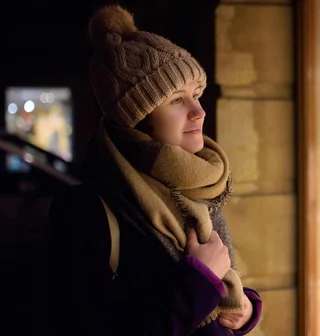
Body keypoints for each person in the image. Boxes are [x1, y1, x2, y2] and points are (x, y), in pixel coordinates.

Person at [48, 4, 262, 336]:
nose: (199, 111)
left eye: (196, 94)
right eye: (177, 100)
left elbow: (218, 297)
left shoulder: (196, 186)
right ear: (138, 117)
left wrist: (243, 308)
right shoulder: (85, 209)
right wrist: (199, 282)